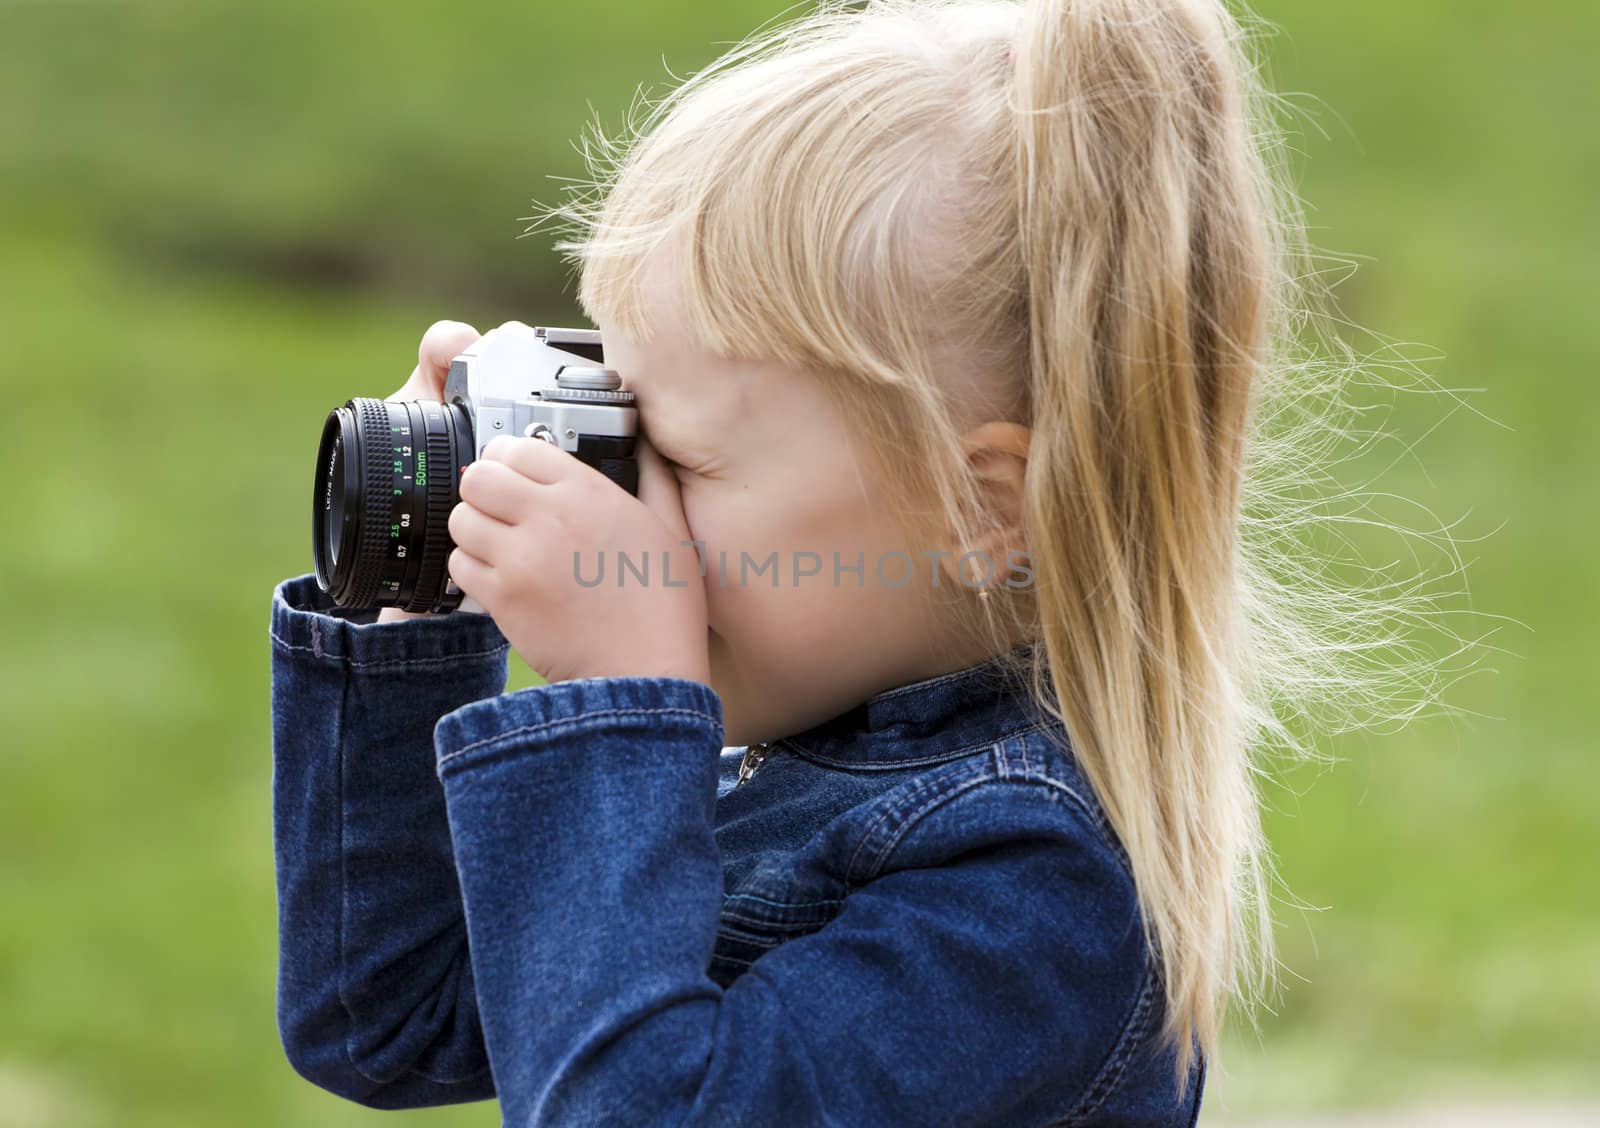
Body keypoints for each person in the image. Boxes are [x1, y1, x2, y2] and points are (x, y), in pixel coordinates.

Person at [268, 0, 1428, 1122]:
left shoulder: (1031, 892)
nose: (628, 508)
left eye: (677, 458)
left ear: (982, 514)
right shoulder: (799, 759)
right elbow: (383, 1016)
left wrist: (624, 703)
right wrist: (424, 598)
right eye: (613, 428)